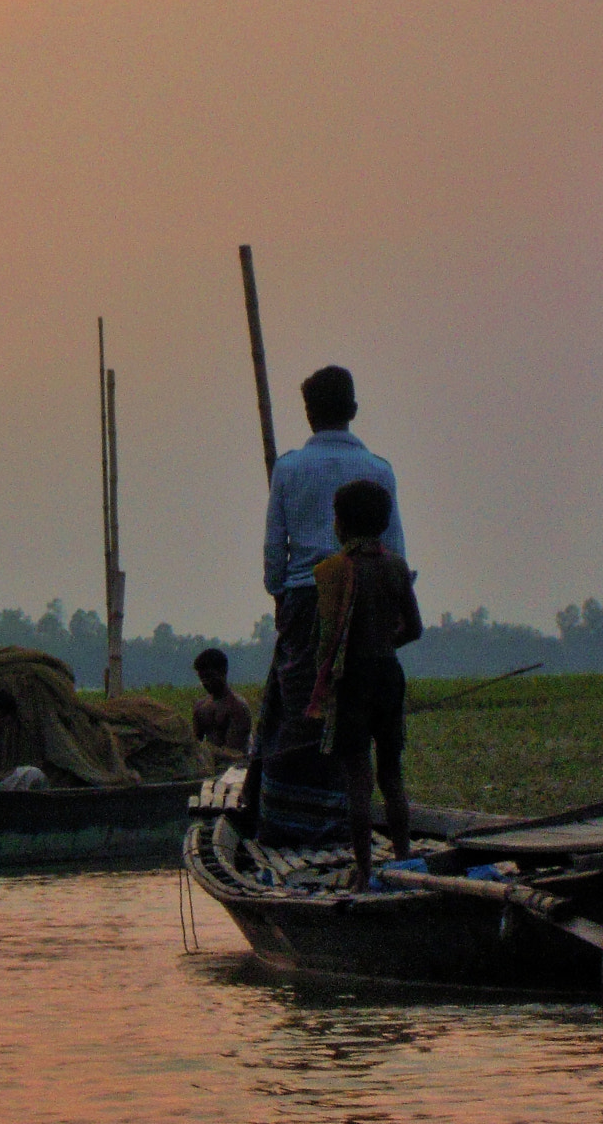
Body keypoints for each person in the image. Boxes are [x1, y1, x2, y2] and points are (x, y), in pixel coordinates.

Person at [250, 367, 404, 843]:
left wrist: (281, 595)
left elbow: (276, 550)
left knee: (305, 711)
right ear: (353, 411)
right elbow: (395, 548)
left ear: (309, 414)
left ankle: (297, 824)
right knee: (353, 712)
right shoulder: (379, 469)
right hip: (366, 598)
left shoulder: (290, 468)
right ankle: (344, 828)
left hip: (305, 598)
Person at [303, 480, 422, 889]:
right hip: (389, 674)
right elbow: (414, 629)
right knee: (392, 772)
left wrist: (324, 683)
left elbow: (326, 642)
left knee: (357, 776)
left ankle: (364, 871)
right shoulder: (396, 567)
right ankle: (405, 858)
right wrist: (384, 643)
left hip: (352, 679)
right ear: (385, 523)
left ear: (340, 525)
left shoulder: (332, 571)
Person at [191, 649, 252, 753]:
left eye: (209, 677)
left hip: (234, 766)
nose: (205, 682)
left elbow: (235, 752)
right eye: (202, 678)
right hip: (209, 764)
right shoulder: (200, 708)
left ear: (223, 671)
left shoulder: (237, 708)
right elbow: (194, 745)